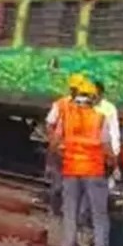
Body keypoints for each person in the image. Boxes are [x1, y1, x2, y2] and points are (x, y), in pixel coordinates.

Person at [56, 80, 115, 246]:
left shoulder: (66, 117)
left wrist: (63, 157)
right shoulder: (100, 118)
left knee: (70, 210)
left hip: (71, 169)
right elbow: (106, 146)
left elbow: (56, 141)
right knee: (99, 214)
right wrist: (114, 164)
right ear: (93, 98)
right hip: (93, 170)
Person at [44, 73, 86, 216]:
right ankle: (55, 210)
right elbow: (50, 124)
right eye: (74, 89)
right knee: (58, 186)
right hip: (61, 151)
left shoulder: (86, 107)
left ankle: (70, 212)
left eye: (78, 89)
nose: (75, 92)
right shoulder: (61, 104)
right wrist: (54, 143)